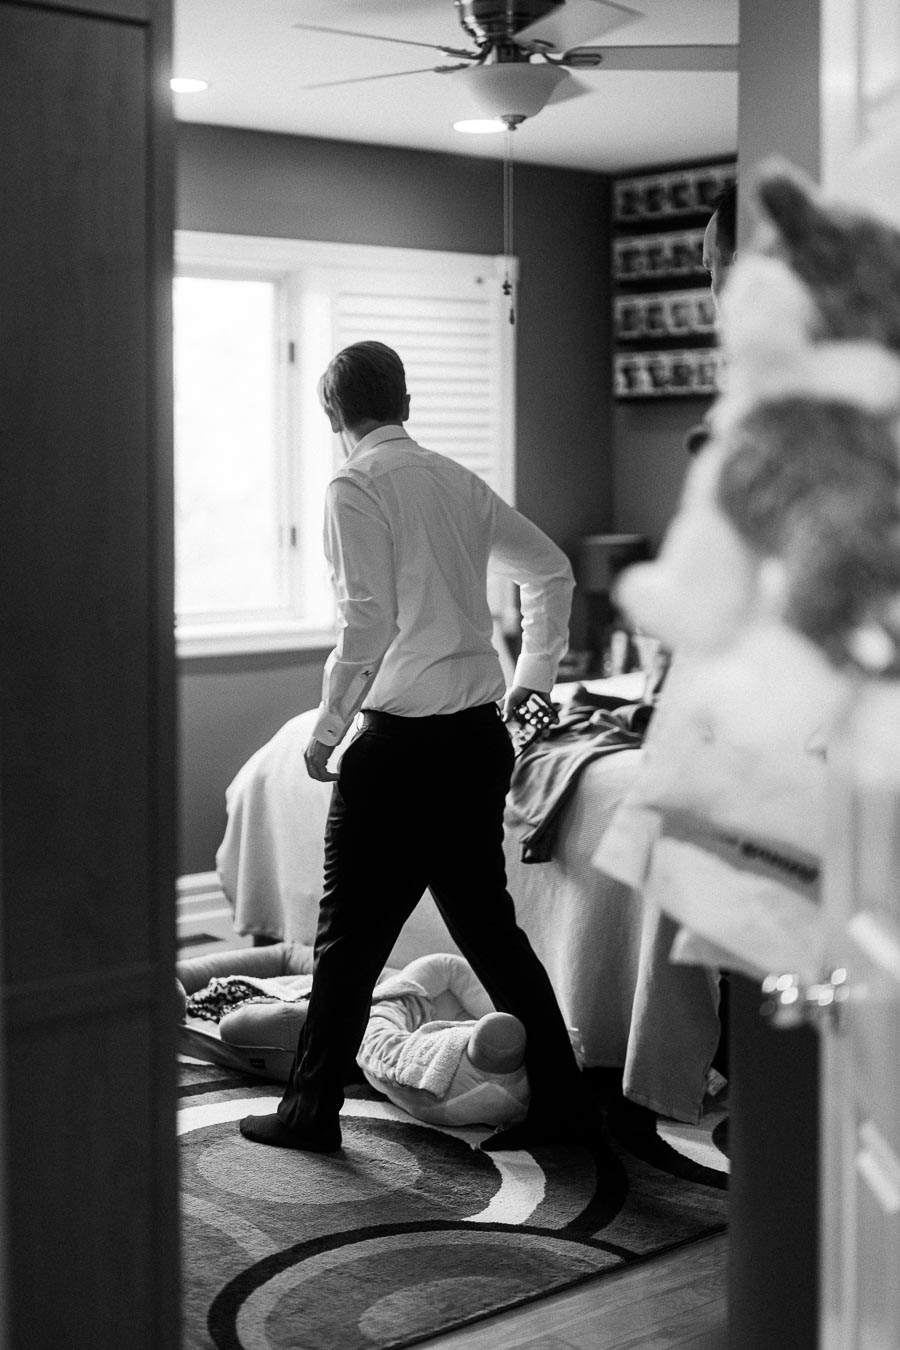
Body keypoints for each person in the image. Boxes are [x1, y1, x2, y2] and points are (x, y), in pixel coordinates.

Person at [240, 340, 602, 1156]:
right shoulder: (456, 481)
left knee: (348, 938)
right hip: (477, 742)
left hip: (399, 754)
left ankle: (310, 1114)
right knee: (490, 931)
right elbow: (550, 570)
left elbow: (367, 622)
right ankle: (568, 1107)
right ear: (404, 402)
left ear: (332, 413)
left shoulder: (354, 484)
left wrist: (327, 729)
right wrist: (535, 675)